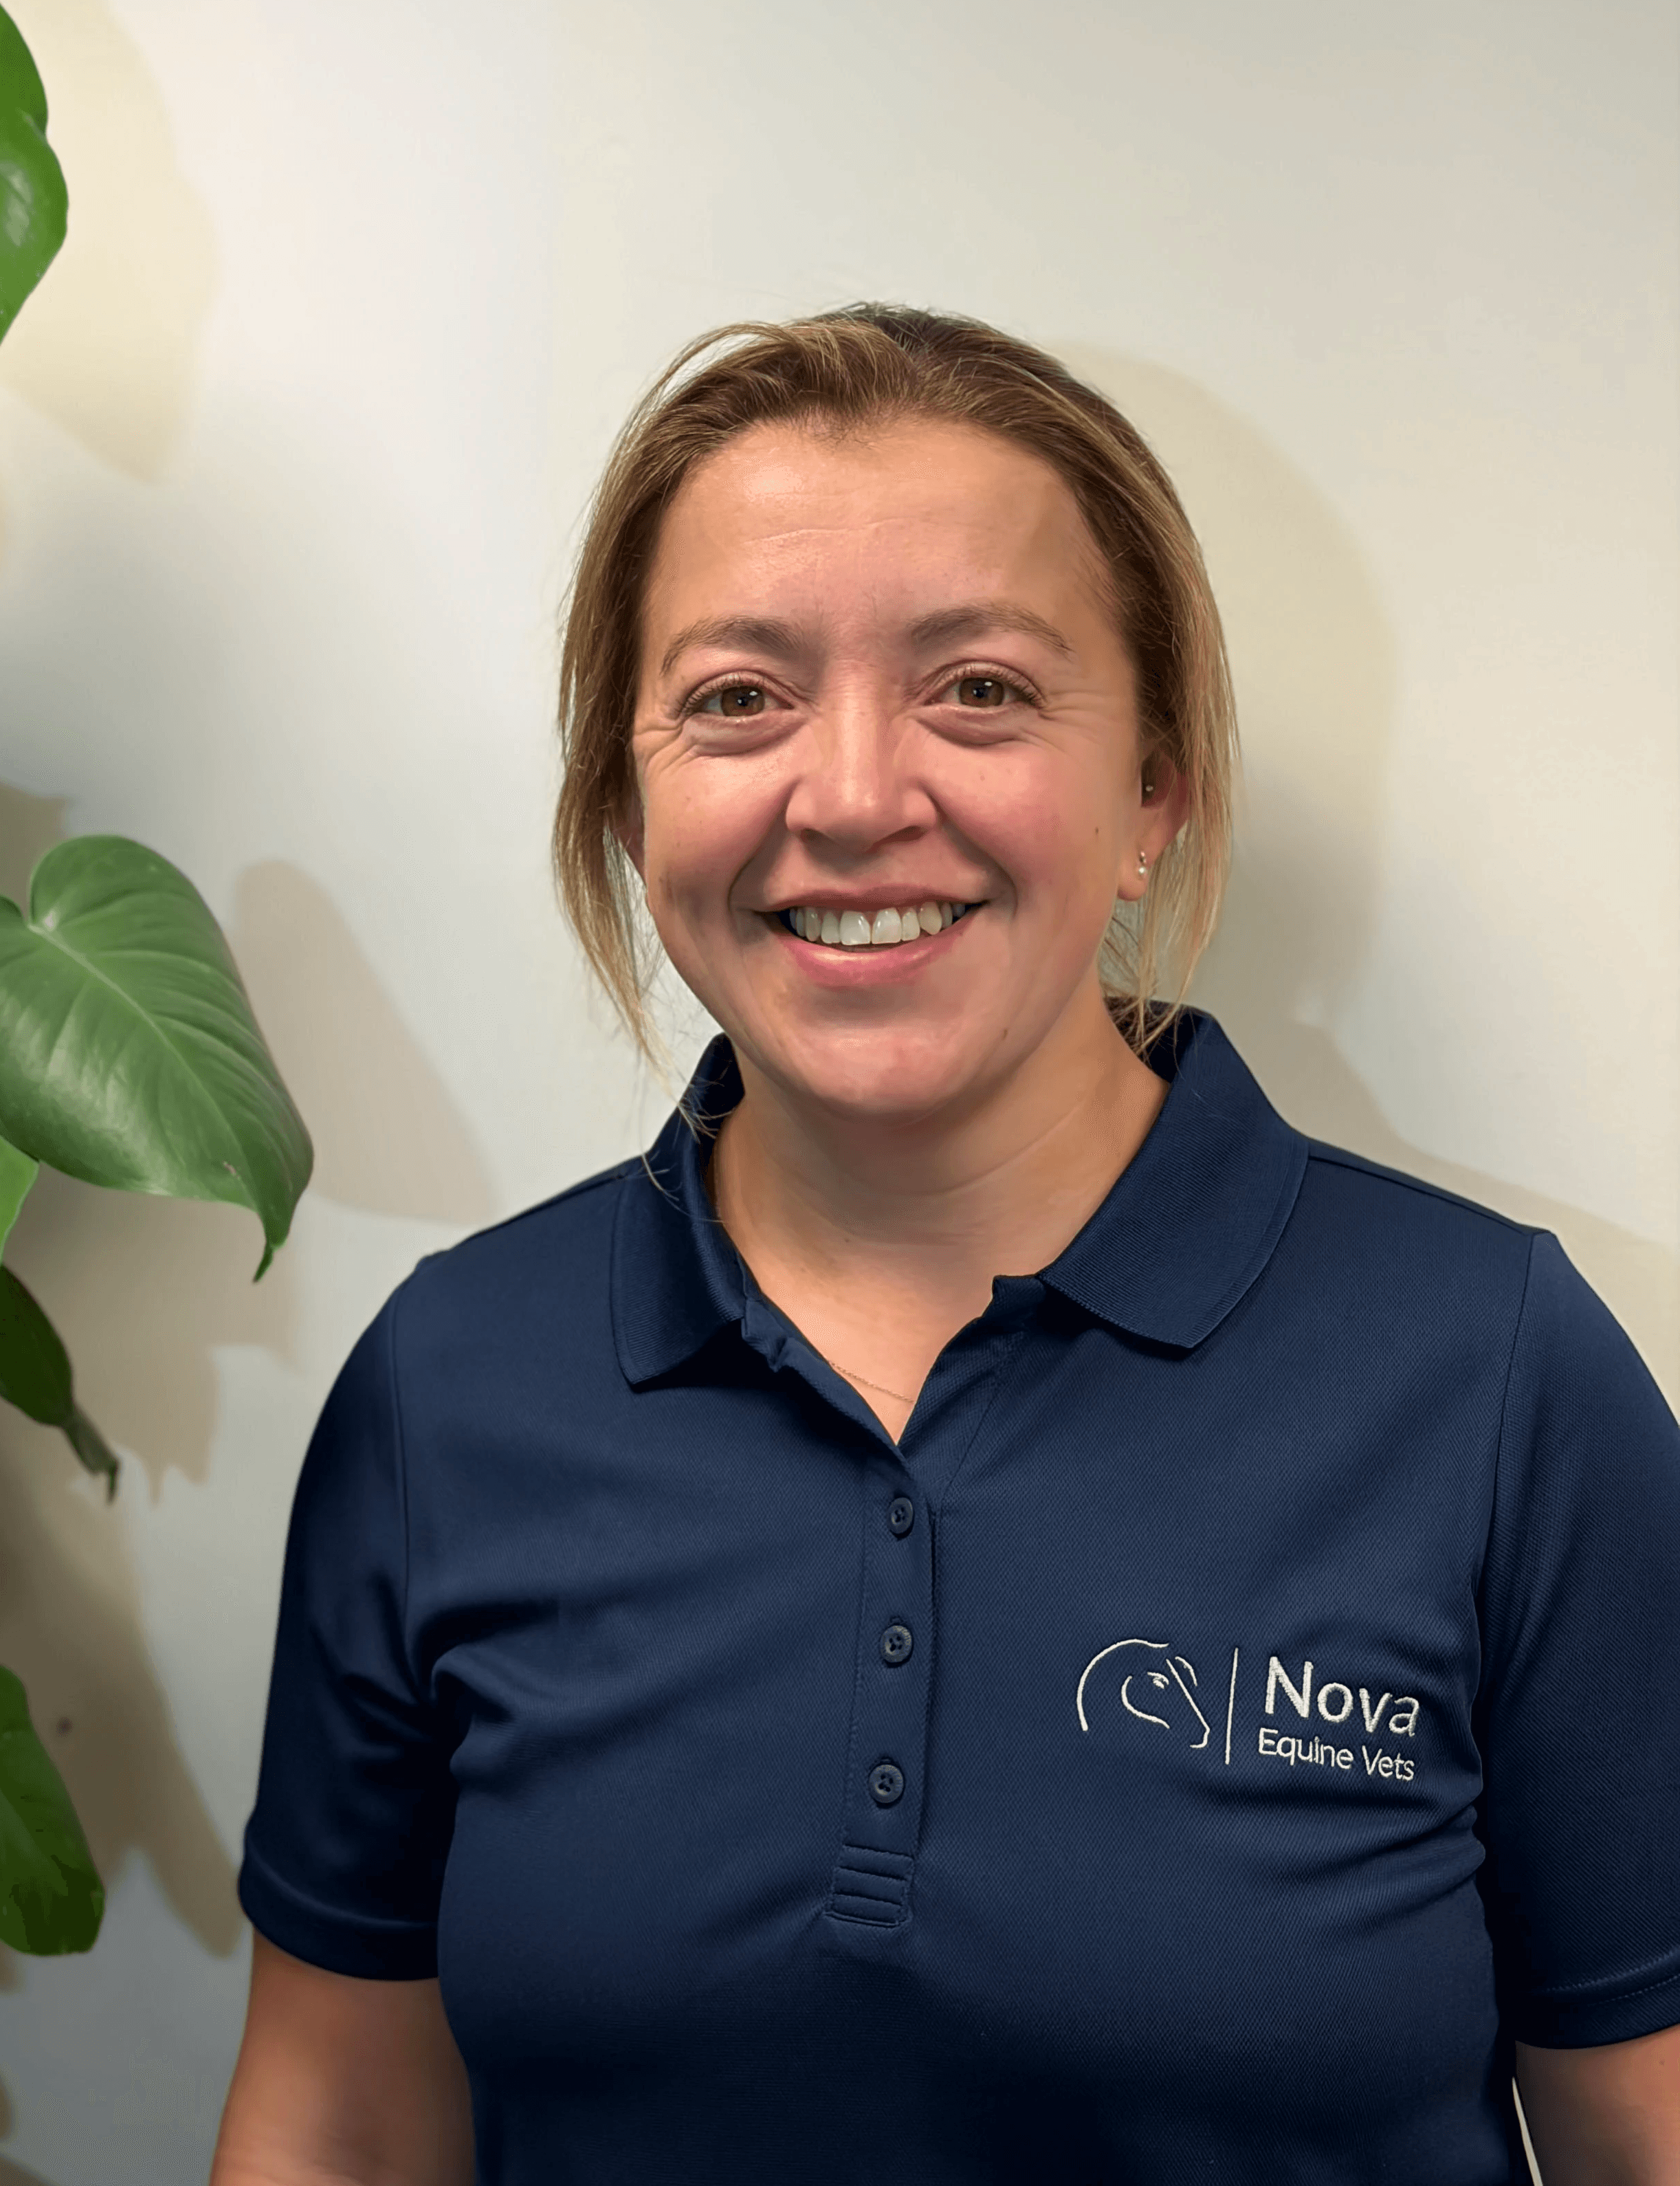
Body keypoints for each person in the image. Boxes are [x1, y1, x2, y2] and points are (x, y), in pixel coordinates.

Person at [211, 307, 1680, 2186]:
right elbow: (337, 2118)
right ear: (627, 790)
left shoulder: (1490, 1378)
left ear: (1152, 790)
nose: (846, 794)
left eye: (977, 687)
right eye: (737, 697)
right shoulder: (453, 1380)